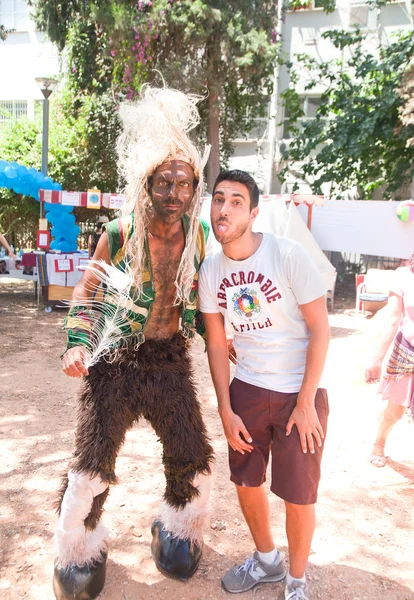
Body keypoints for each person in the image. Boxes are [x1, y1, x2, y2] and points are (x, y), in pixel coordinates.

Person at [53, 87, 213, 600]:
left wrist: (219, 338)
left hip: (169, 360)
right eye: (164, 182)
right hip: (116, 362)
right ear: (148, 184)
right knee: (93, 461)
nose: (173, 191)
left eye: (182, 183)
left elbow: (204, 296)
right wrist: (77, 343)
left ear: (193, 188)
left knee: (191, 451)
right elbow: (88, 286)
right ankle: (77, 551)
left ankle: (176, 530)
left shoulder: (200, 235)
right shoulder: (122, 231)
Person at [199, 170, 330, 600]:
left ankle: (296, 581)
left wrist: (306, 402)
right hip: (248, 390)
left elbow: (321, 330)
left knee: (298, 493)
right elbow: (217, 344)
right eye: (219, 199)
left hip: (298, 392)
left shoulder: (288, 255)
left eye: (237, 201)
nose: (225, 208)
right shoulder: (211, 269)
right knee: (246, 481)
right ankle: (267, 559)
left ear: (253, 213)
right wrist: (225, 406)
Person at [365, 252, 414, 467]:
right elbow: (393, 319)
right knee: (394, 412)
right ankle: (379, 443)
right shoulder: (404, 275)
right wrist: (376, 360)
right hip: (407, 354)